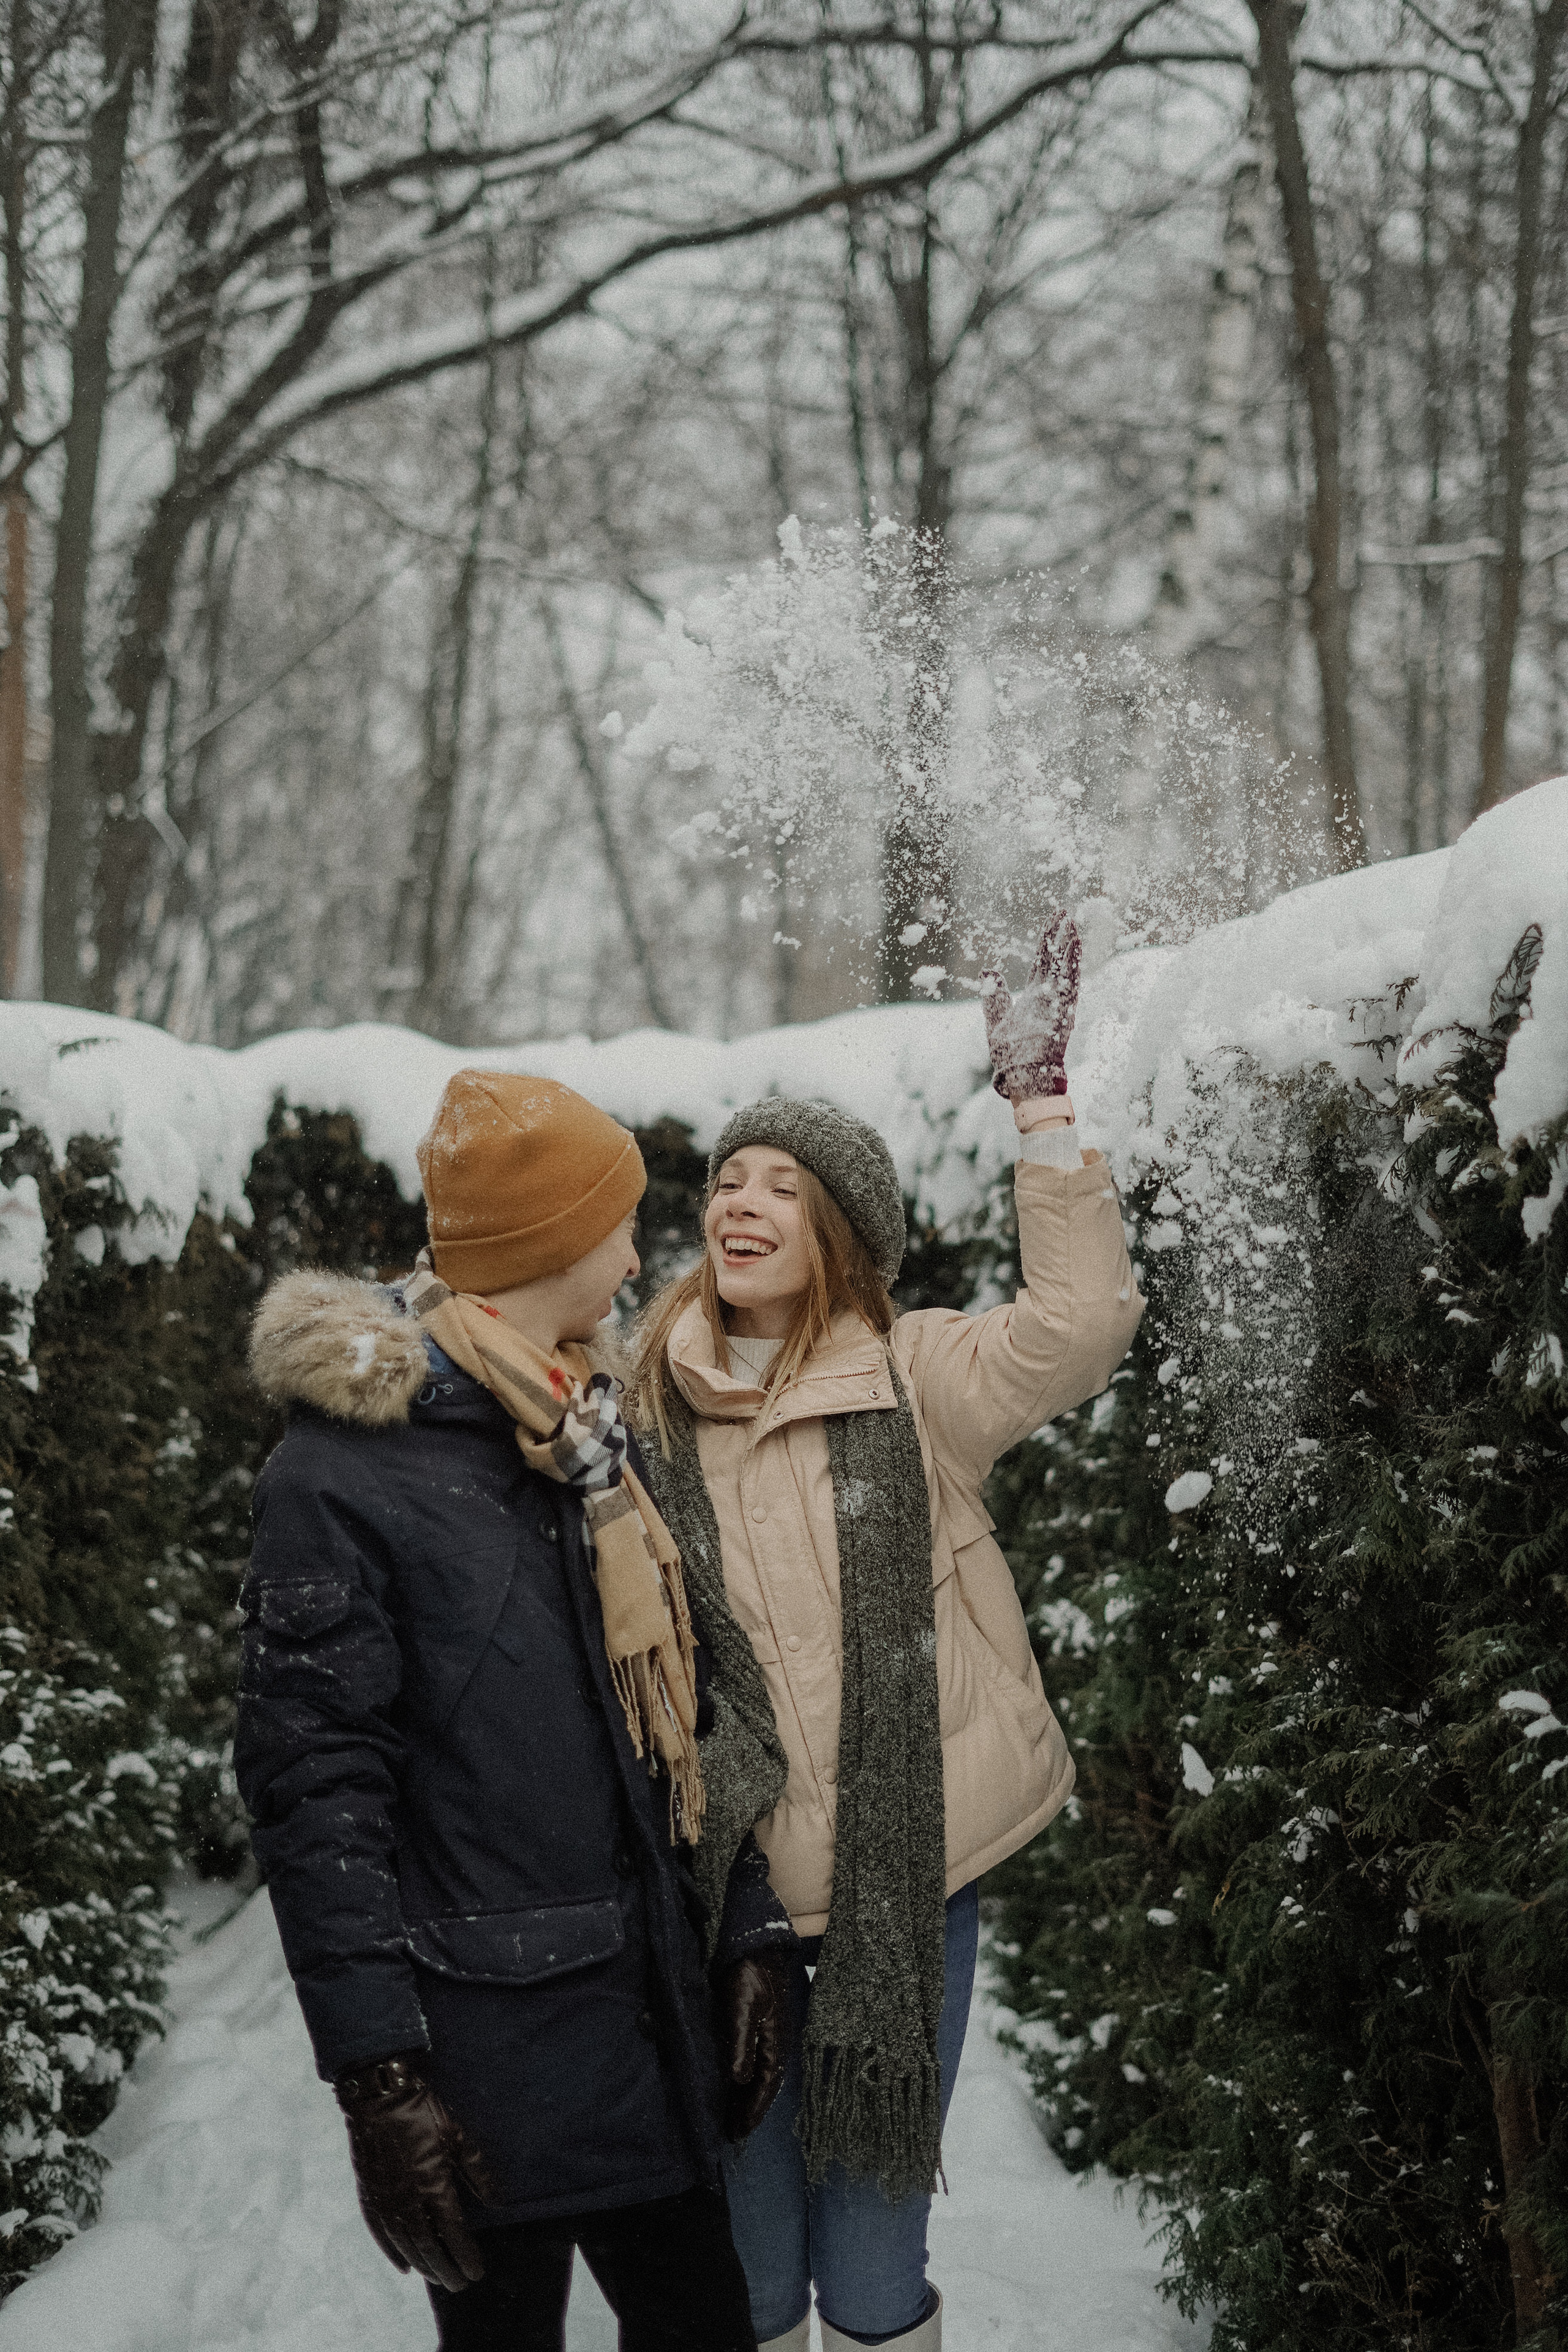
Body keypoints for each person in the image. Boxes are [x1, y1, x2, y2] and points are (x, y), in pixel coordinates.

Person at [628, 918, 1145, 2352]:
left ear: (835, 1231)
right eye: (727, 1180)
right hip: (721, 1913)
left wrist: (1043, 1110)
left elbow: (1081, 1321)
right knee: (743, 2272)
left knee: (866, 2273)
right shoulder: (640, 1416)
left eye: (780, 1188)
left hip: (903, 1898)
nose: (740, 1202)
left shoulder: (915, 1380)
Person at [234, 1071, 797, 2352]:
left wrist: (743, 1924)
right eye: (619, 1220)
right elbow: (314, 1794)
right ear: (553, 1244)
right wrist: (379, 2081)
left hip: (649, 2023)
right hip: (486, 2067)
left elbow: (677, 1716)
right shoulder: (337, 1478)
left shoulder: (585, 1426)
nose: (640, 1246)